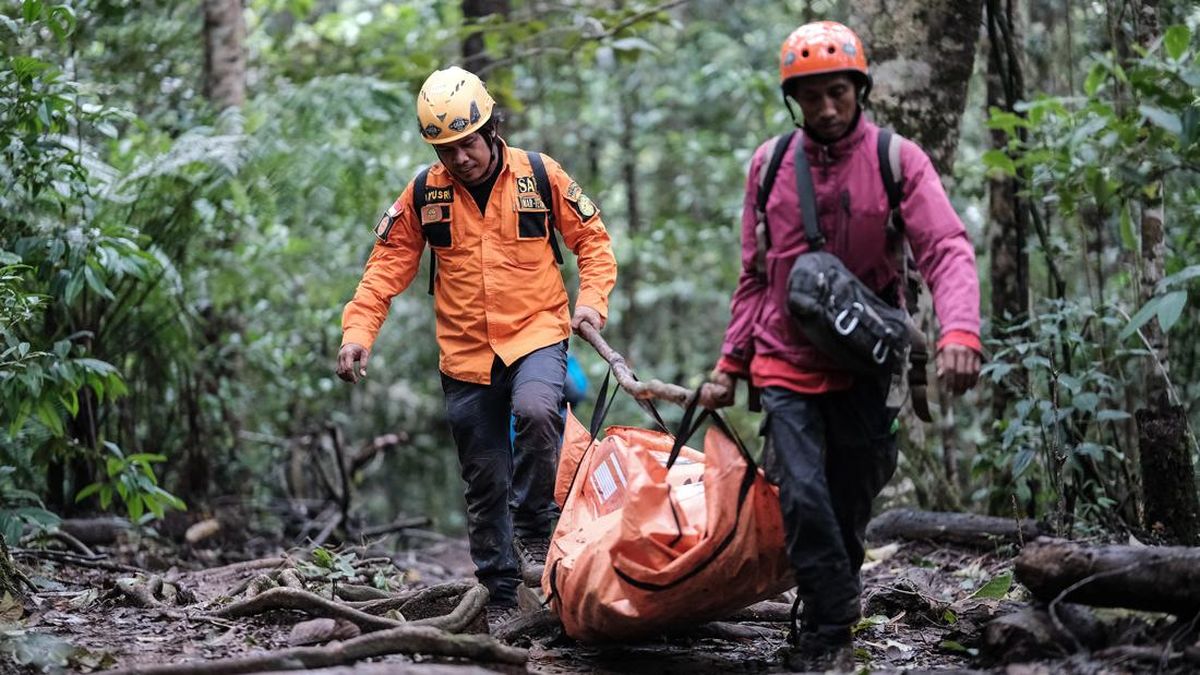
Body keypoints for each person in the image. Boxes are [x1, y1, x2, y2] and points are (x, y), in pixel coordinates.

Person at [698, 21, 981, 671]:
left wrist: (959, 330)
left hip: (867, 361)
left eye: (838, 93)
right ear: (792, 101)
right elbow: (753, 276)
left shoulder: (896, 159)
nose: (826, 108)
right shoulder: (768, 168)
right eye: (811, 96)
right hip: (784, 360)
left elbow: (945, 246)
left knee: (853, 494)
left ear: (860, 90)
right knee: (800, 494)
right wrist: (730, 363)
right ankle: (828, 632)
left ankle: (826, 602)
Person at [335, 66, 617, 632]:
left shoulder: (540, 175)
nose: (460, 157)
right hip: (464, 355)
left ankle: (537, 528)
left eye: (467, 142)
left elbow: (593, 241)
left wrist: (592, 302)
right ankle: (501, 595)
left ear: (490, 129)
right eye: (446, 148)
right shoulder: (424, 192)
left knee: (538, 412)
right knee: (483, 475)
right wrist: (357, 334)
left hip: (537, 332)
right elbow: (385, 268)